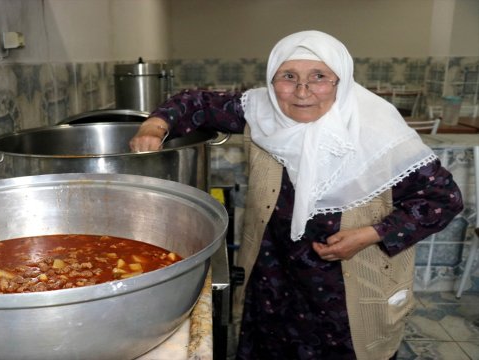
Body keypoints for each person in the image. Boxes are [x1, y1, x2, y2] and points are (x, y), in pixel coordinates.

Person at [129, 30, 463, 360]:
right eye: (288, 76)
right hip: (274, 286)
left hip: (348, 296)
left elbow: (443, 199)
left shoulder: (380, 132)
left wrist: (369, 234)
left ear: (341, 80)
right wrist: (154, 126)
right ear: (272, 80)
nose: (302, 92)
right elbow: (195, 102)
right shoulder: (263, 113)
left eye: (319, 77)